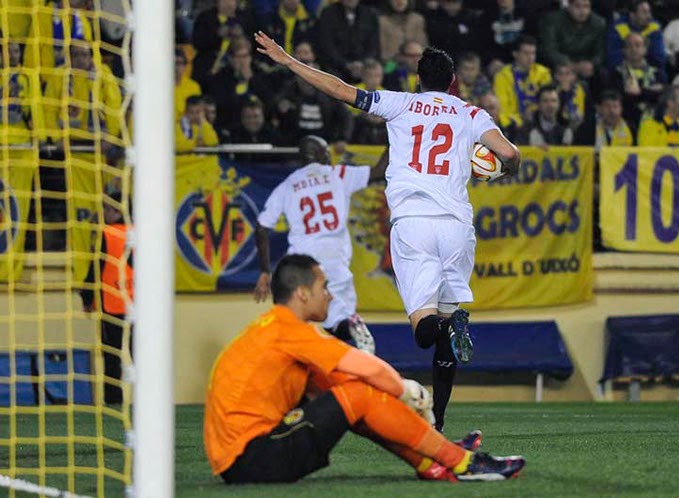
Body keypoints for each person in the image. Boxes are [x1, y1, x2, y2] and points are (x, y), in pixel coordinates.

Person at [254, 31, 521, 431]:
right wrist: (502, 170)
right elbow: (510, 154)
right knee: (446, 327)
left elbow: (343, 91)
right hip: (457, 228)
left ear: (419, 79)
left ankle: (447, 331)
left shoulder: (402, 103)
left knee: (425, 332)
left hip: (413, 223)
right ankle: (440, 421)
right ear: (452, 82)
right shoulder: (471, 114)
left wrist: (290, 61)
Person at [204, 254, 526, 484]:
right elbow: (365, 369)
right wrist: (406, 390)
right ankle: (462, 462)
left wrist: (415, 428)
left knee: (352, 396)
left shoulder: (274, 329)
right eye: (323, 287)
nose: (330, 295)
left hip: (248, 457)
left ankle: (433, 460)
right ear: (302, 294)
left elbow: (352, 391)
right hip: (252, 459)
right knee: (357, 394)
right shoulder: (289, 329)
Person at [254, 136, 384, 353]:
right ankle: (352, 327)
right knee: (337, 322)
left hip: (302, 265)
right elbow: (381, 169)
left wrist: (265, 271)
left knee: (298, 321)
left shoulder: (289, 185)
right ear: (322, 154)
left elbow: (261, 227)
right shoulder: (339, 174)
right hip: (335, 260)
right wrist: (392, 128)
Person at [80, 191, 133, 404]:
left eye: (106, 209)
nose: (103, 213)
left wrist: (86, 296)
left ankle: (113, 402)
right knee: (142, 357)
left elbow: (97, 267)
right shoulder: (140, 232)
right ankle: (148, 406)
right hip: (138, 306)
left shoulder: (108, 233)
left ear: (117, 210)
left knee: (112, 358)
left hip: (112, 305)